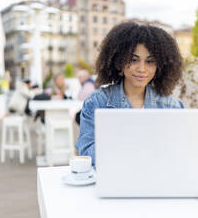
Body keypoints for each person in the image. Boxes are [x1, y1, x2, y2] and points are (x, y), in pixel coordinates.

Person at [76, 21, 184, 165]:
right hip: (115, 181)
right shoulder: (97, 103)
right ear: (119, 61)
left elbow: (188, 150)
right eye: (134, 60)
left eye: (150, 61)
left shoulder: (170, 105)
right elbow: (86, 155)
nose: (142, 69)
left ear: (159, 66)